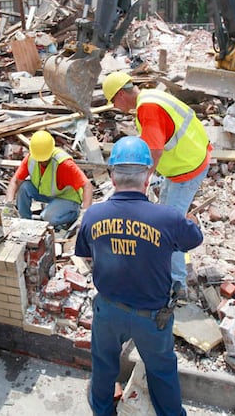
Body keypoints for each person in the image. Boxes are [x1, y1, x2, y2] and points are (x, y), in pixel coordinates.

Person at [75, 136, 204, 416]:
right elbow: (193, 239)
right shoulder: (167, 218)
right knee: (161, 372)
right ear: (148, 176)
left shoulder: (93, 215)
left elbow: (85, 252)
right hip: (151, 317)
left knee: (104, 365)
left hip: (108, 310)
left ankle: (102, 411)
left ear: (112, 177)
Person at [101, 72, 212, 299]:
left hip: (187, 168)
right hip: (190, 157)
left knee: (168, 226)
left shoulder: (147, 109)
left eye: (114, 101)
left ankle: (176, 284)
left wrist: (142, 182)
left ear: (121, 94)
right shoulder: (150, 96)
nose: (115, 106)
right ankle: (168, 266)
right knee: (165, 213)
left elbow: (155, 150)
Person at [5, 130, 93, 228]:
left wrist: (85, 214)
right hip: (48, 193)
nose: (42, 161)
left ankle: (74, 214)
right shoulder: (31, 158)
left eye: (45, 159)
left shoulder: (64, 164)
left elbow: (87, 185)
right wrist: (9, 203)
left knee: (46, 218)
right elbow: (15, 181)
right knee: (24, 187)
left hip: (67, 197)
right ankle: (25, 221)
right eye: (40, 159)